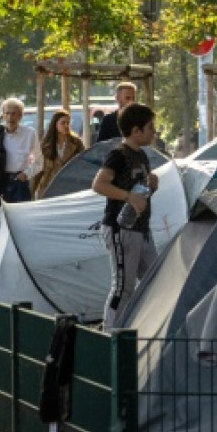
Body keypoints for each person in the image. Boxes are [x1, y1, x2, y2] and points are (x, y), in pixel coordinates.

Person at [91, 102, 160, 329]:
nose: (154, 132)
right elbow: (99, 185)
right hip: (121, 229)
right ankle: (109, 332)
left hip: (141, 228)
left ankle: (143, 324)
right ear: (135, 130)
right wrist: (128, 197)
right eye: (150, 127)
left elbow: (140, 190)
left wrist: (152, 186)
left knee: (155, 277)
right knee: (123, 286)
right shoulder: (118, 155)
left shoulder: (142, 155)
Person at [0, 98, 43, 214]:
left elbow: (39, 162)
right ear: (3, 115)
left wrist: (26, 174)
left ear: (20, 116)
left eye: (14, 114)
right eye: (7, 113)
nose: (10, 117)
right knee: (0, 218)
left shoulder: (29, 134)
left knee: (22, 217)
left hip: (19, 183)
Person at [31, 109, 86, 199]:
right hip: (48, 186)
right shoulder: (46, 144)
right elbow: (38, 169)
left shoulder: (76, 143)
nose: (66, 125)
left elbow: (83, 164)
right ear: (55, 124)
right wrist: (33, 191)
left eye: (68, 123)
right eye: (63, 123)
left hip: (69, 186)